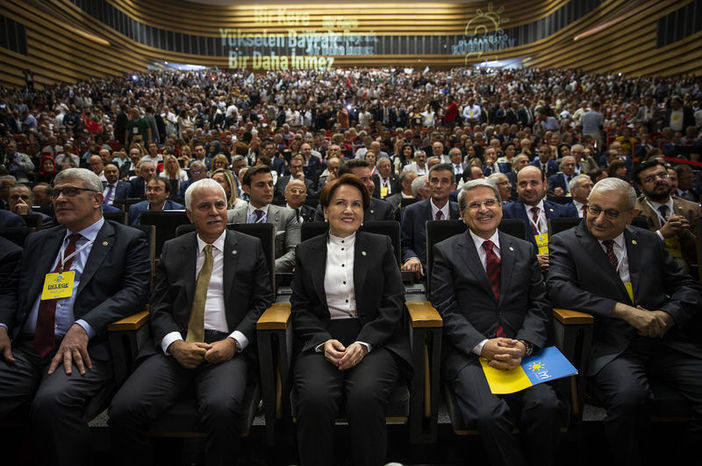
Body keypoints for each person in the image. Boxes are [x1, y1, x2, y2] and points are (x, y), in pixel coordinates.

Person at [110, 178, 272, 466]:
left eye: (220, 205)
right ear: (189, 214)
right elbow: (159, 306)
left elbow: (262, 304)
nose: (214, 212)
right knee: (124, 409)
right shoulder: (173, 248)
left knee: (222, 409)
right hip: (178, 345)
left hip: (226, 348)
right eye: (204, 206)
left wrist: (234, 342)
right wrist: (174, 344)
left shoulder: (250, 247)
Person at [0, 168, 150, 466]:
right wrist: (2, 324)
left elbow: (135, 292)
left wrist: (85, 325)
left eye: (70, 192)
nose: (59, 199)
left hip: (86, 350)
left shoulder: (128, 240)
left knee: (52, 403)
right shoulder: (39, 241)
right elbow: (13, 291)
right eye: (56, 192)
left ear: (96, 199)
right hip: (26, 349)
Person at [547, 177, 702, 466]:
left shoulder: (647, 241)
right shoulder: (566, 242)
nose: (599, 219)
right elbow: (560, 290)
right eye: (594, 209)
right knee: (630, 399)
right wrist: (624, 311)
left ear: (632, 215)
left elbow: (688, 287)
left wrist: (668, 314)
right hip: (612, 345)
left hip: (663, 339)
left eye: (611, 213)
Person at [431, 179, 560, 466]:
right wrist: (483, 345)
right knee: (489, 415)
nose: (484, 209)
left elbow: (539, 304)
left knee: (547, 405)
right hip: (470, 354)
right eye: (474, 205)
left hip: (522, 350)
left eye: (490, 202)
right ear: (461, 214)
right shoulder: (446, 251)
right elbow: (446, 309)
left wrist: (524, 345)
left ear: (501, 208)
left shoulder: (524, 249)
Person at [291, 174, 411, 466]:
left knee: (365, 396)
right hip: (323, 338)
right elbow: (301, 307)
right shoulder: (306, 251)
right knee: (316, 398)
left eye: (356, 204)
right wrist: (321, 340)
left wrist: (365, 342)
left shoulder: (381, 245)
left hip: (375, 339)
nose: (349, 210)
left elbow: (394, 304)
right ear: (326, 210)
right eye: (340, 203)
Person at [226, 165, 300, 274]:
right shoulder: (230, 217)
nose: (268, 189)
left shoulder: (288, 215)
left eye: (270, 184)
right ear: (246, 189)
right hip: (237, 278)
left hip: (272, 279)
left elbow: (295, 252)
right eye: (261, 185)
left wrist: (265, 268)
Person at [502, 165, 578, 269]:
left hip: (559, 269)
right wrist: (531, 260)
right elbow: (504, 251)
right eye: (523, 184)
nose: (529, 188)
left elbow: (573, 246)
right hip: (524, 272)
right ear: (517, 187)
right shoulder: (505, 214)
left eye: (534, 183)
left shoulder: (563, 211)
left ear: (545, 185)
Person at [633, 160, 700, 273]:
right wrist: (661, 235)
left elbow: (698, 252)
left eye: (663, 175)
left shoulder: (693, 209)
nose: (659, 180)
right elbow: (631, 250)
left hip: (691, 275)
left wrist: (685, 234)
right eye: (649, 179)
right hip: (648, 274)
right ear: (640, 187)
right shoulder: (632, 211)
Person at [401, 163, 459, 278]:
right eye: (434, 180)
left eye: (444, 181)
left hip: (457, 275)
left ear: (453, 187)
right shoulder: (412, 211)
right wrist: (411, 257)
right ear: (428, 183)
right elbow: (404, 244)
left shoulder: (462, 212)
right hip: (423, 274)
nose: (438, 185)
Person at [314, 159, 395, 222]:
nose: (371, 184)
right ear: (345, 182)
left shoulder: (384, 209)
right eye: (363, 180)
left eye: (370, 179)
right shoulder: (325, 210)